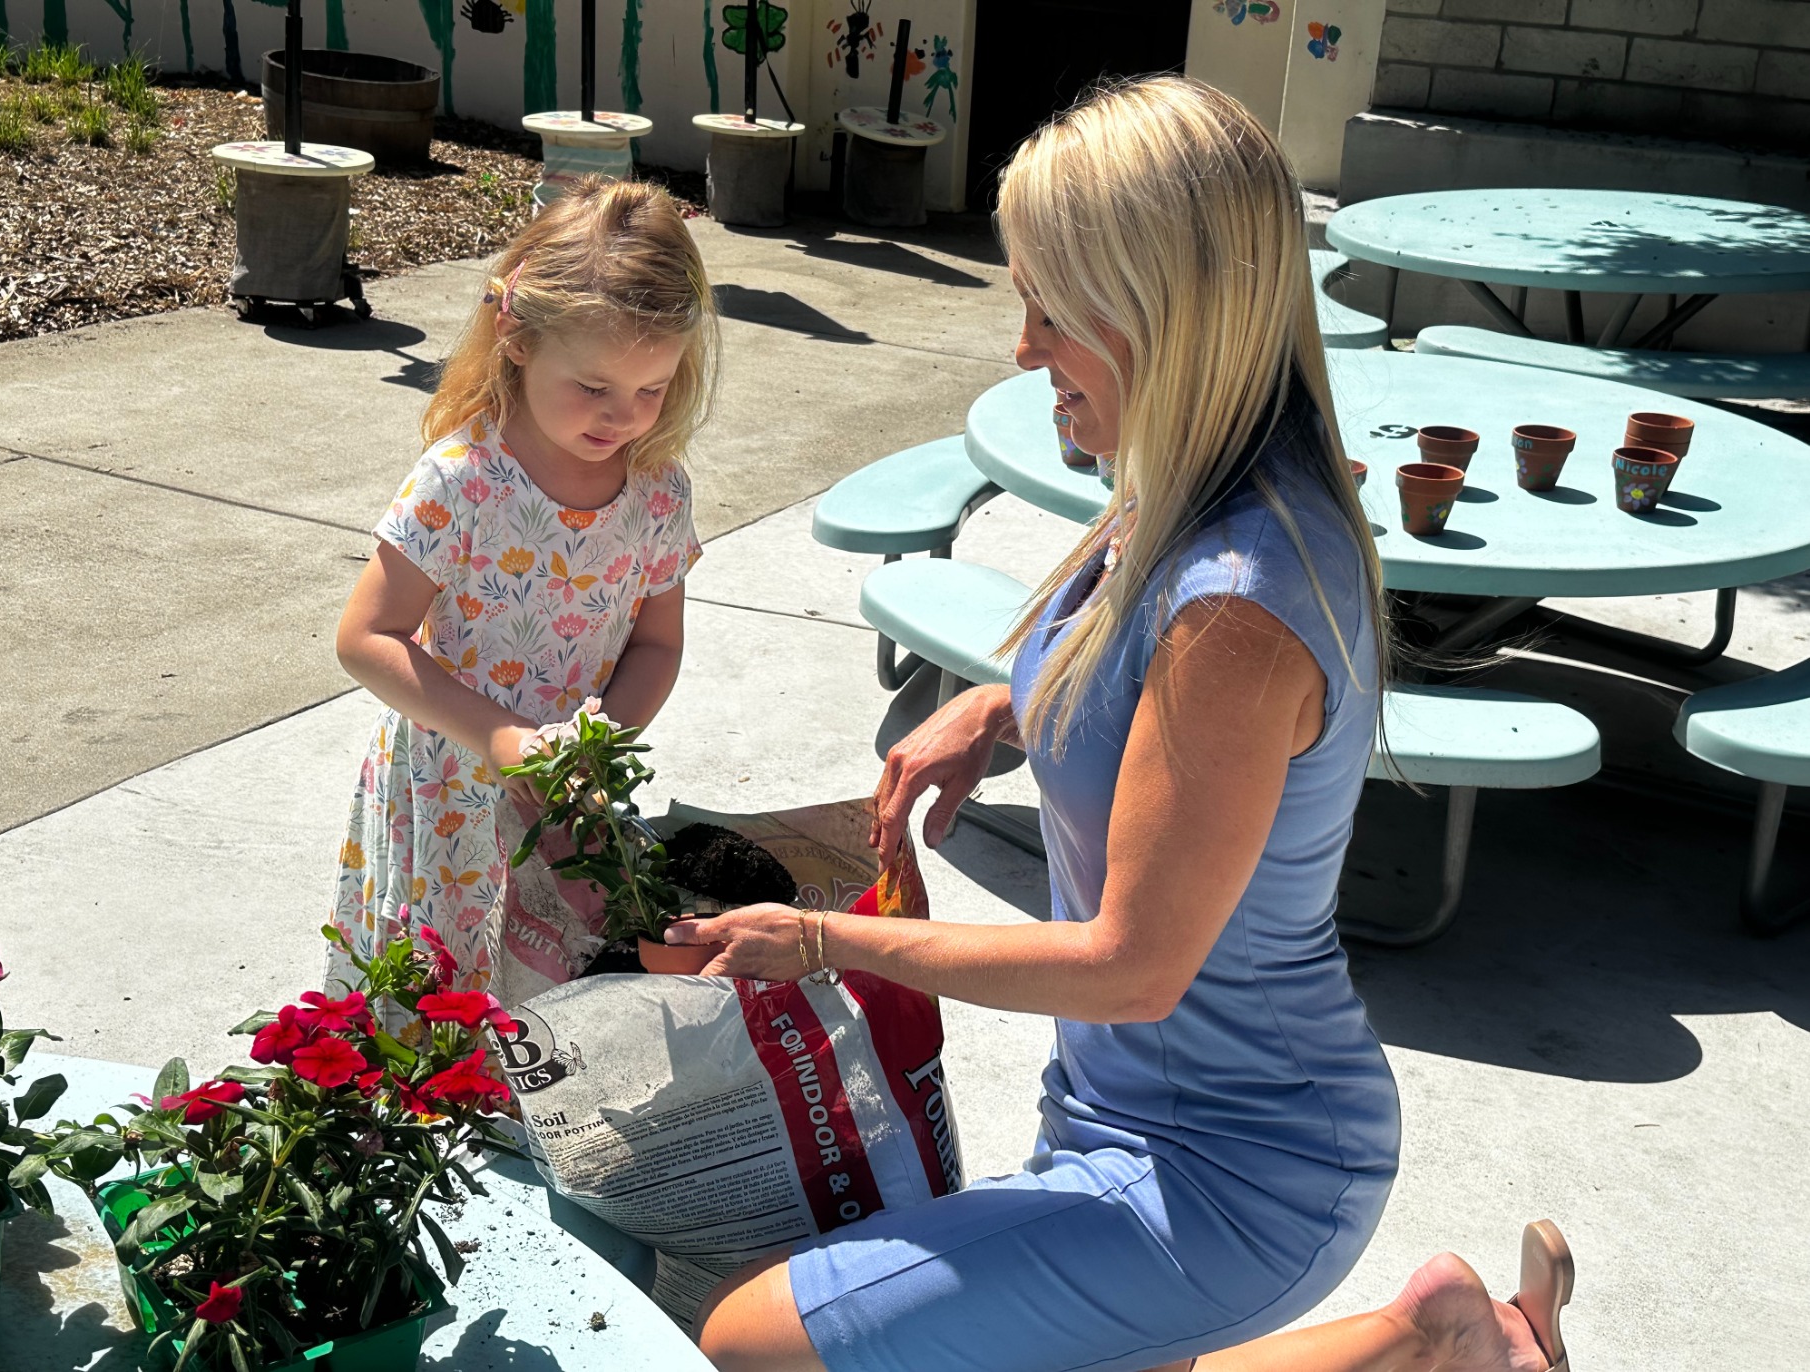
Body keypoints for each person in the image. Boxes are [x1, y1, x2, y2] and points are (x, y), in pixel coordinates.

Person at [660, 76, 1563, 1372]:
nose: (1022, 348)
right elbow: (1130, 683)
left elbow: (1135, 967)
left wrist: (819, 938)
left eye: (1047, 309)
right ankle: (1445, 1339)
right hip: (1127, 1103)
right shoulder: (1191, 476)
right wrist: (997, 709)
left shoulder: (1241, 604)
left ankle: (1437, 1351)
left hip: (1243, 1166)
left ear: (1160, 313)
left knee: (755, 1346)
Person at [325, 177, 716, 1011]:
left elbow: (657, 644)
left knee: (548, 988)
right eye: (594, 387)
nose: (623, 416)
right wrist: (501, 737)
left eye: (651, 390)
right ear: (517, 335)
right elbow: (367, 637)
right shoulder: (463, 482)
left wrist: (596, 750)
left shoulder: (655, 491)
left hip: (570, 791)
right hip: (454, 782)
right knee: (436, 995)